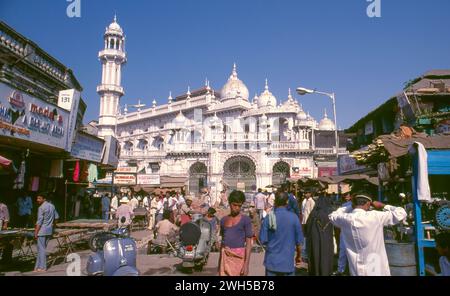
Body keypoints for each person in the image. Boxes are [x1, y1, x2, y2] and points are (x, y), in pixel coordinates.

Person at [329, 192, 407, 276]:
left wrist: (350, 206)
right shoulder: (375, 216)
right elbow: (401, 213)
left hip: (356, 269)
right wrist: (383, 206)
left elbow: (332, 215)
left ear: (354, 203)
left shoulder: (344, 218)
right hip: (375, 268)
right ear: (368, 203)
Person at [259, 192, 303, 276]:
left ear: (275, 201)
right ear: (287, 202)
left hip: (272, 262)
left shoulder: (269, 217)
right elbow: (299, 242)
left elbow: (263, 239)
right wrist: (298, 256)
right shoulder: (294, 218)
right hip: (288, 263)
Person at [218, 190, 253, 276]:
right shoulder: (223, 220)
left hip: (239, 259)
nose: (237, 208)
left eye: (239, 206)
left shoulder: (246, 220)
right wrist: (219, 264)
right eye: (234, 205)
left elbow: (249, 244)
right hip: (225, 258)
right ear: (230, 203)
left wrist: (246, 265)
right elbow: (222, 243)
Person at [305, 195, 334, 276]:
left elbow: (307, 227)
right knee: (326, 255)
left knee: (315, 255)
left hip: (314, 240)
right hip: (327, 239)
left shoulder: (313, 213)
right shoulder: (331, 213)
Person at [34, 193, 59, 272]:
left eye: (39, 198)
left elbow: (39, 222)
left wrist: (36, 232)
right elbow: (57, 217)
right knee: (42, 249)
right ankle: (37, 267)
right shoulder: (52, 206)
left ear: (44, 199)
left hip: (42, 231)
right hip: (49, 230)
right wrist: (53, 227)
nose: (37, 200)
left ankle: (43, 267)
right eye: (37, 198)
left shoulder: (41, 208)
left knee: (41, 250)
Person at [334, 191, 353, 276]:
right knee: (343, 251)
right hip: (344, 230)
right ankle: (341, 269)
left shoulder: (352, 205)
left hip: (350, 231)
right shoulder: (342, 205)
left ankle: (343, 269)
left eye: (347, 195)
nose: (346, 196)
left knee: (346, 252)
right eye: (345, 195)